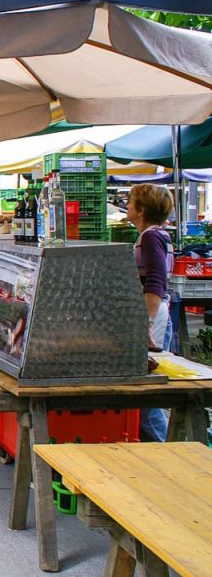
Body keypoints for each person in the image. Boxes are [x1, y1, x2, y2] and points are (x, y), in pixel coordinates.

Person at [126, 183, 175, 442]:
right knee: (144, 394)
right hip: (155, 314)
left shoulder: (151, 237)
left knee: (145, 396)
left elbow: (156, 280)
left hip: (154, 316)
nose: (127, 205)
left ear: (142, 209)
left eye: (131, 201)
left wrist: (145, 322)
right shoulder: (156, 235)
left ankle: (166, 450)